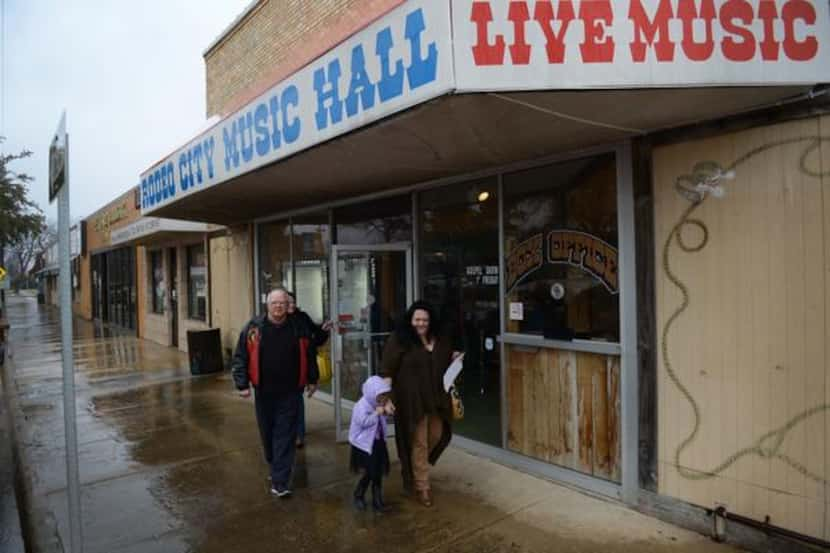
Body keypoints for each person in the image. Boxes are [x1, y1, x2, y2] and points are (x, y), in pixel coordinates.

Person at [232, 287, 319, 498]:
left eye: (282, 303)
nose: (278, 307)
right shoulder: (254, 329)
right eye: (274, 303)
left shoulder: (298, 327)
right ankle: (275, 465)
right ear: (267, 306)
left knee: (285, 435)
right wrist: (242, 384)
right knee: (268, 435)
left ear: (287, 305)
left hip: (291, 392)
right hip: (264, 392)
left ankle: (280, 482)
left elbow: (310, 353)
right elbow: (240, 357)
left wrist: (312, 379)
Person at [380, 300, 458, 507]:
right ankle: (422, 486)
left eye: (424, 319)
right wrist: (385, 397)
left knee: (437, 434)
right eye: (417, 319)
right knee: (419, 442)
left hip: (436, 400)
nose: (421, 323)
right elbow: (387, 370)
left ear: (431, 321)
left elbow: (443, 361)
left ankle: (416, 467)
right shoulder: (399, 340)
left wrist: (454, 358)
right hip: (411, 401)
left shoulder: (439, 339)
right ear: (410, 320)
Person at [286, 291, 332, 448]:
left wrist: (324, 330)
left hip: (302, 367)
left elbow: (316, 339)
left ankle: (298, 435)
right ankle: (287, 432)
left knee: (297, 401)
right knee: (286, 404)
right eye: (288, 302)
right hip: (283, 370)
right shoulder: (277, 321)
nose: (291, 305)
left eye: (293, 302)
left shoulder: (302, 317)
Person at [348, 375, 394, 512]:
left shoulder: (378, 405)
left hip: (377, 442)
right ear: (372, 394)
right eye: (381, 396)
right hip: (364, 444)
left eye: (385, 396)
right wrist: (376, 414)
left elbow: (383, 420)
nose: (383, 400)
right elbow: (363, 422)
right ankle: (359, 494)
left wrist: (385, 412)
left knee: (377, 471)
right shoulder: (361, 406)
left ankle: (377, 500)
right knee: (370, 472)